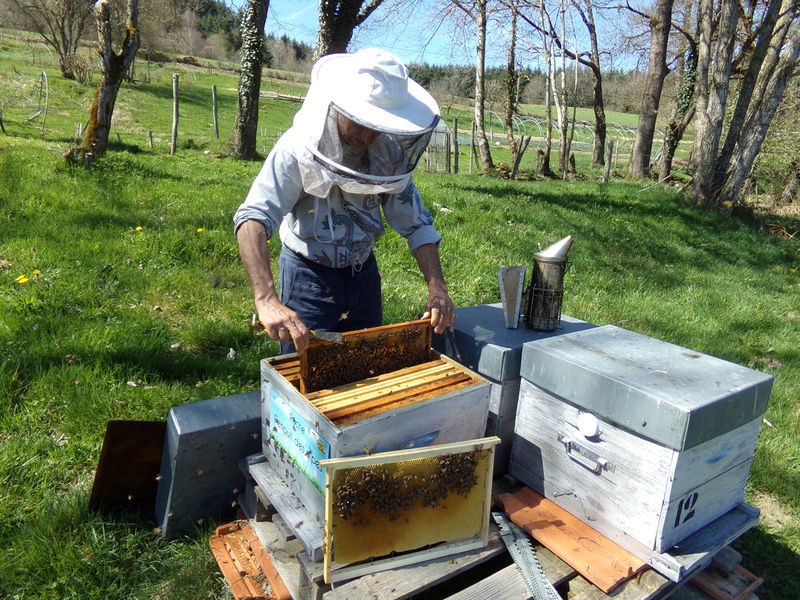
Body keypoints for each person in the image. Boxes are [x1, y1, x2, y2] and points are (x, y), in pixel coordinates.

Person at [234, 48, 455, 354]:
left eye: (378, 127)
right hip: (307, 273)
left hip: (363, 273)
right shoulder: (296, 148)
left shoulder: (387, 155)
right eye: (362, 122)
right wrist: (266, 299)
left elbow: (416, 223)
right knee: (305, 378)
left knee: (367, 367)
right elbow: (253, 219)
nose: (368, 138)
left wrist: (437, 288)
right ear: (340, 107)